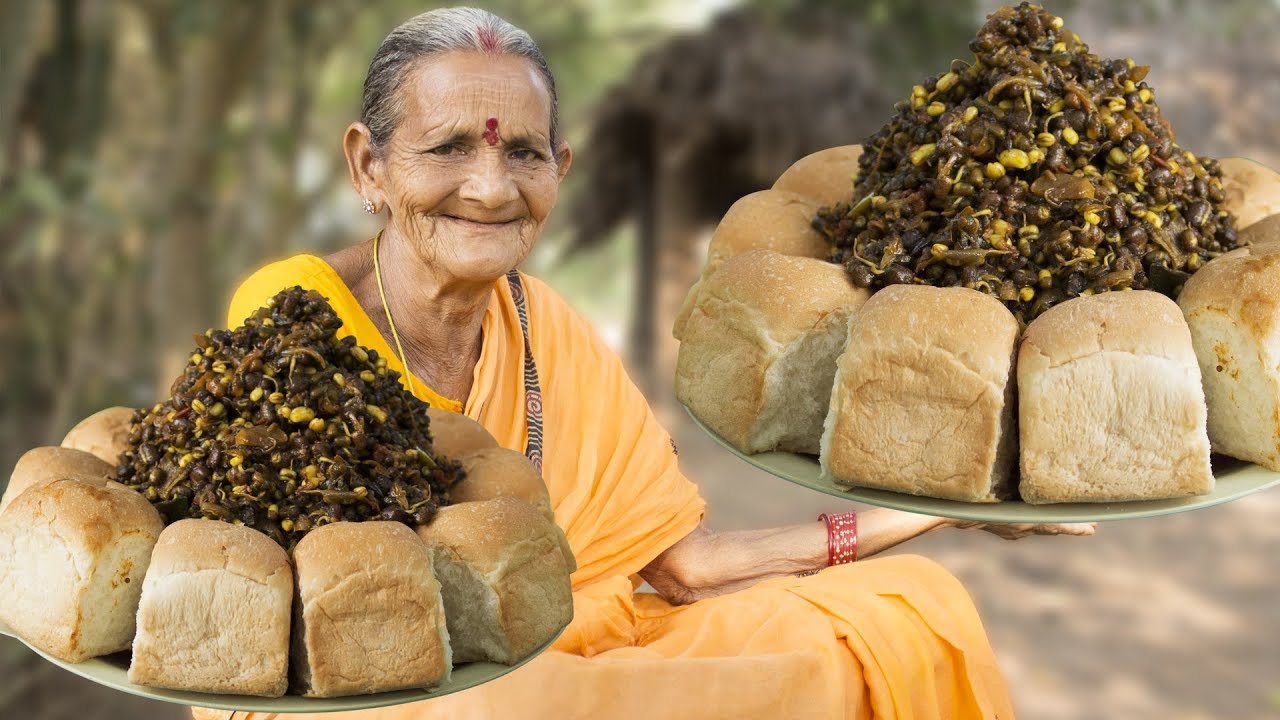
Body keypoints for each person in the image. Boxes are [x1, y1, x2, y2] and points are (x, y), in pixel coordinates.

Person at [201, 8, 1092, 719]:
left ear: (560, 169)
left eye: (522, 151)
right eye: (448, 148)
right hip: (364, 681)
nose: (489, 185)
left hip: (574, 645)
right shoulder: (293, 315)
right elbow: (317, 613)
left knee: (905, 608)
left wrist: (933, 512)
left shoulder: (545, 324)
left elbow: (682, 568)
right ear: (369, 166)